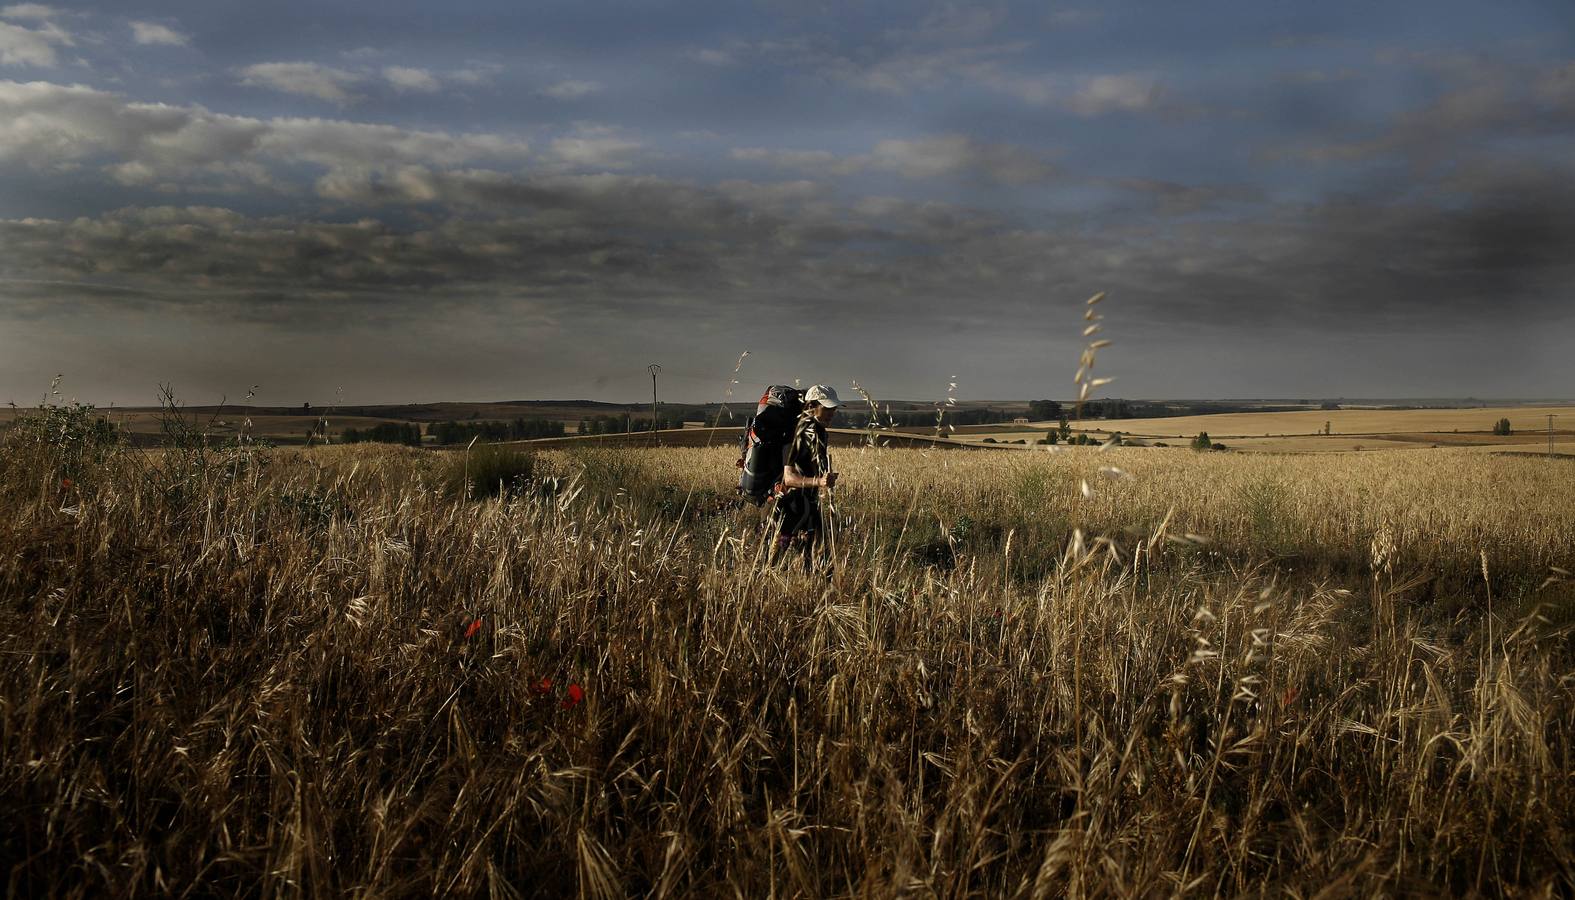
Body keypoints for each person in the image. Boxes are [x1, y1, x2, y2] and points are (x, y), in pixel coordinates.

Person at [771, 384, 840, 570]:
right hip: (790, 505)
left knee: (819, 555)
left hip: (808, 505)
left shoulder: (820, 433)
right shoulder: (798, 433)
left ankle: (818, 591)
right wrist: (819, 481)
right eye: (826, 408)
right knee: (774, 560)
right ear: (812, 406)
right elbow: (789, 477)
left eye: (833, 408)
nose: (831, 413)